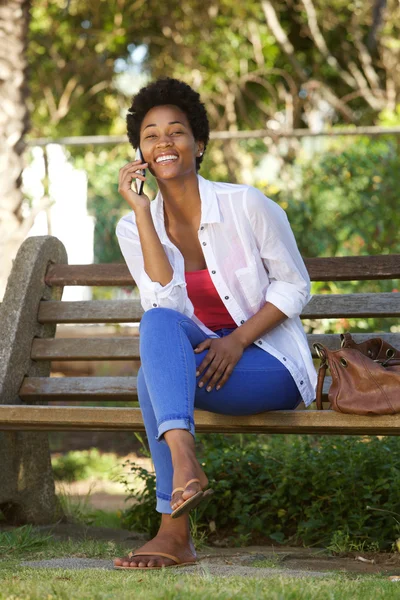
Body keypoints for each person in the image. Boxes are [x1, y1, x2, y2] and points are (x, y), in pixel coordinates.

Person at [113, 77, 317, 570]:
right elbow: (162, 302)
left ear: (198, 144)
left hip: (269, 363)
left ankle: (174, 530)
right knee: (157, 321)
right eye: (151, 135)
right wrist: (143, 212)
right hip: (203, 358)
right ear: (139, 153)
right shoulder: (131, 226)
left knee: (149, 381)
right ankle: (185, 460)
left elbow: (294, 286)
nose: (164, 142)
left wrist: (238, 342)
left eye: (177, 131)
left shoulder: (246, 204)